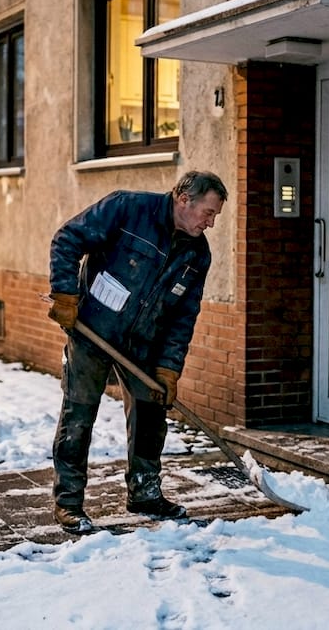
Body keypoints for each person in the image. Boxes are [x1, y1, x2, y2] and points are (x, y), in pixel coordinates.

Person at [47, 170, 228, 534]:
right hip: (93, 330)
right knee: (79, 413)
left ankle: (144, 493)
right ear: (183, 199)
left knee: (150, 413)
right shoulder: (127, 209)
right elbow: (67, 239)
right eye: (208, 213)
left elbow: (183, 316)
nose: (210, 223)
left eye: (215, 216)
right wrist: (66, 293)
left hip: (144, 343)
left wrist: (168, 368)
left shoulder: (197, 253)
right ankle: (68, 502)